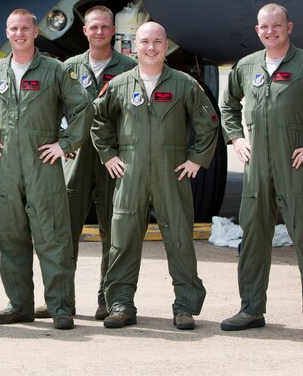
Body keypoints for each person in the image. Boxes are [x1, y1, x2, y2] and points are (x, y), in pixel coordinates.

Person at [219, 3, 303, 337]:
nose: (270, 31)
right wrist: (235, 138)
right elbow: (228, 104)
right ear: (257, 30)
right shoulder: (246, 66)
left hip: (295, 165)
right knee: (252, 239)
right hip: (256, 170)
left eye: (276, 26)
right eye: (264, 27)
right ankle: (250, 309)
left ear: (289, 27)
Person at [91, 21, 218, 330]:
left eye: (157, 42)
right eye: (145, 42)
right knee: (122, 240)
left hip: (171, 173)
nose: (151, 47)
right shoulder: (119, 84)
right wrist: (109, 155)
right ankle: (120, 304)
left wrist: (196, 160)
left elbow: (209, 122)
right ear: (135, 46)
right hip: (130, 172)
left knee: (179, 240)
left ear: (166, 46)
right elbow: (98, 120)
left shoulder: (185, 84)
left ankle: (185, 306)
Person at [0, 8, 94, 330]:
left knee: (52, 237)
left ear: (35, 32)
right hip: (7, 166)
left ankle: (60, 307)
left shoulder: (54, 70)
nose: (19, 34)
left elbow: (82, 106)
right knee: (9, 236)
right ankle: (19, 305)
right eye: (13, 29)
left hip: (43, 164)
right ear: (7, 32)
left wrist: (66, 144)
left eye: (25, 29)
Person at [34, 5, 136, 321]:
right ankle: (61, 300)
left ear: (113, 31)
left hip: (113, 159)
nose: (100, 32)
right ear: (84, 31)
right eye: (94, 27)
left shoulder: (129, 68)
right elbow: (53, 108)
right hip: (74, 158)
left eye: (105, 27)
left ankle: (110, 300)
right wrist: (60, 145)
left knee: (115, 233)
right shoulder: (67, 68)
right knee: (63, 232)